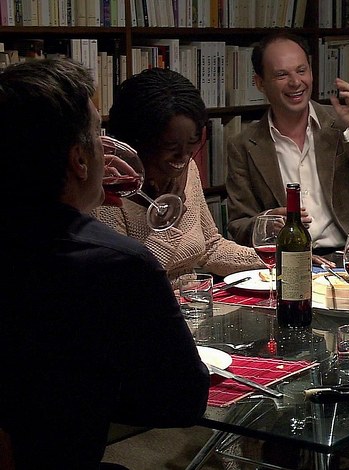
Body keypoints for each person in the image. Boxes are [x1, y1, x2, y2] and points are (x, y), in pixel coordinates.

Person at [0, 58, 209, 469]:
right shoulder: (118, 263)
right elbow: (182, 400)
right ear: (79, 159)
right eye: (98, 134)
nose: (108, 147)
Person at [225, 31, 349, 256]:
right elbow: (238, 226)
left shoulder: (344, 125)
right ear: (260, 83)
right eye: (281, 74)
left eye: (301, 71)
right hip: (289, 261)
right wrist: (267, 223)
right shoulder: (243, 145)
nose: (296, 82)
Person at [92, 67, 266, 281]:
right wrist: (167, 225)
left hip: (195, 297)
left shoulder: (188, 169)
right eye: (170, 146)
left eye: (192, 142)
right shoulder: (108, 195)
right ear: (137, 139)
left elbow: (211, 247)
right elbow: (128, 282)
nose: (183, 156)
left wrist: (276, 256)